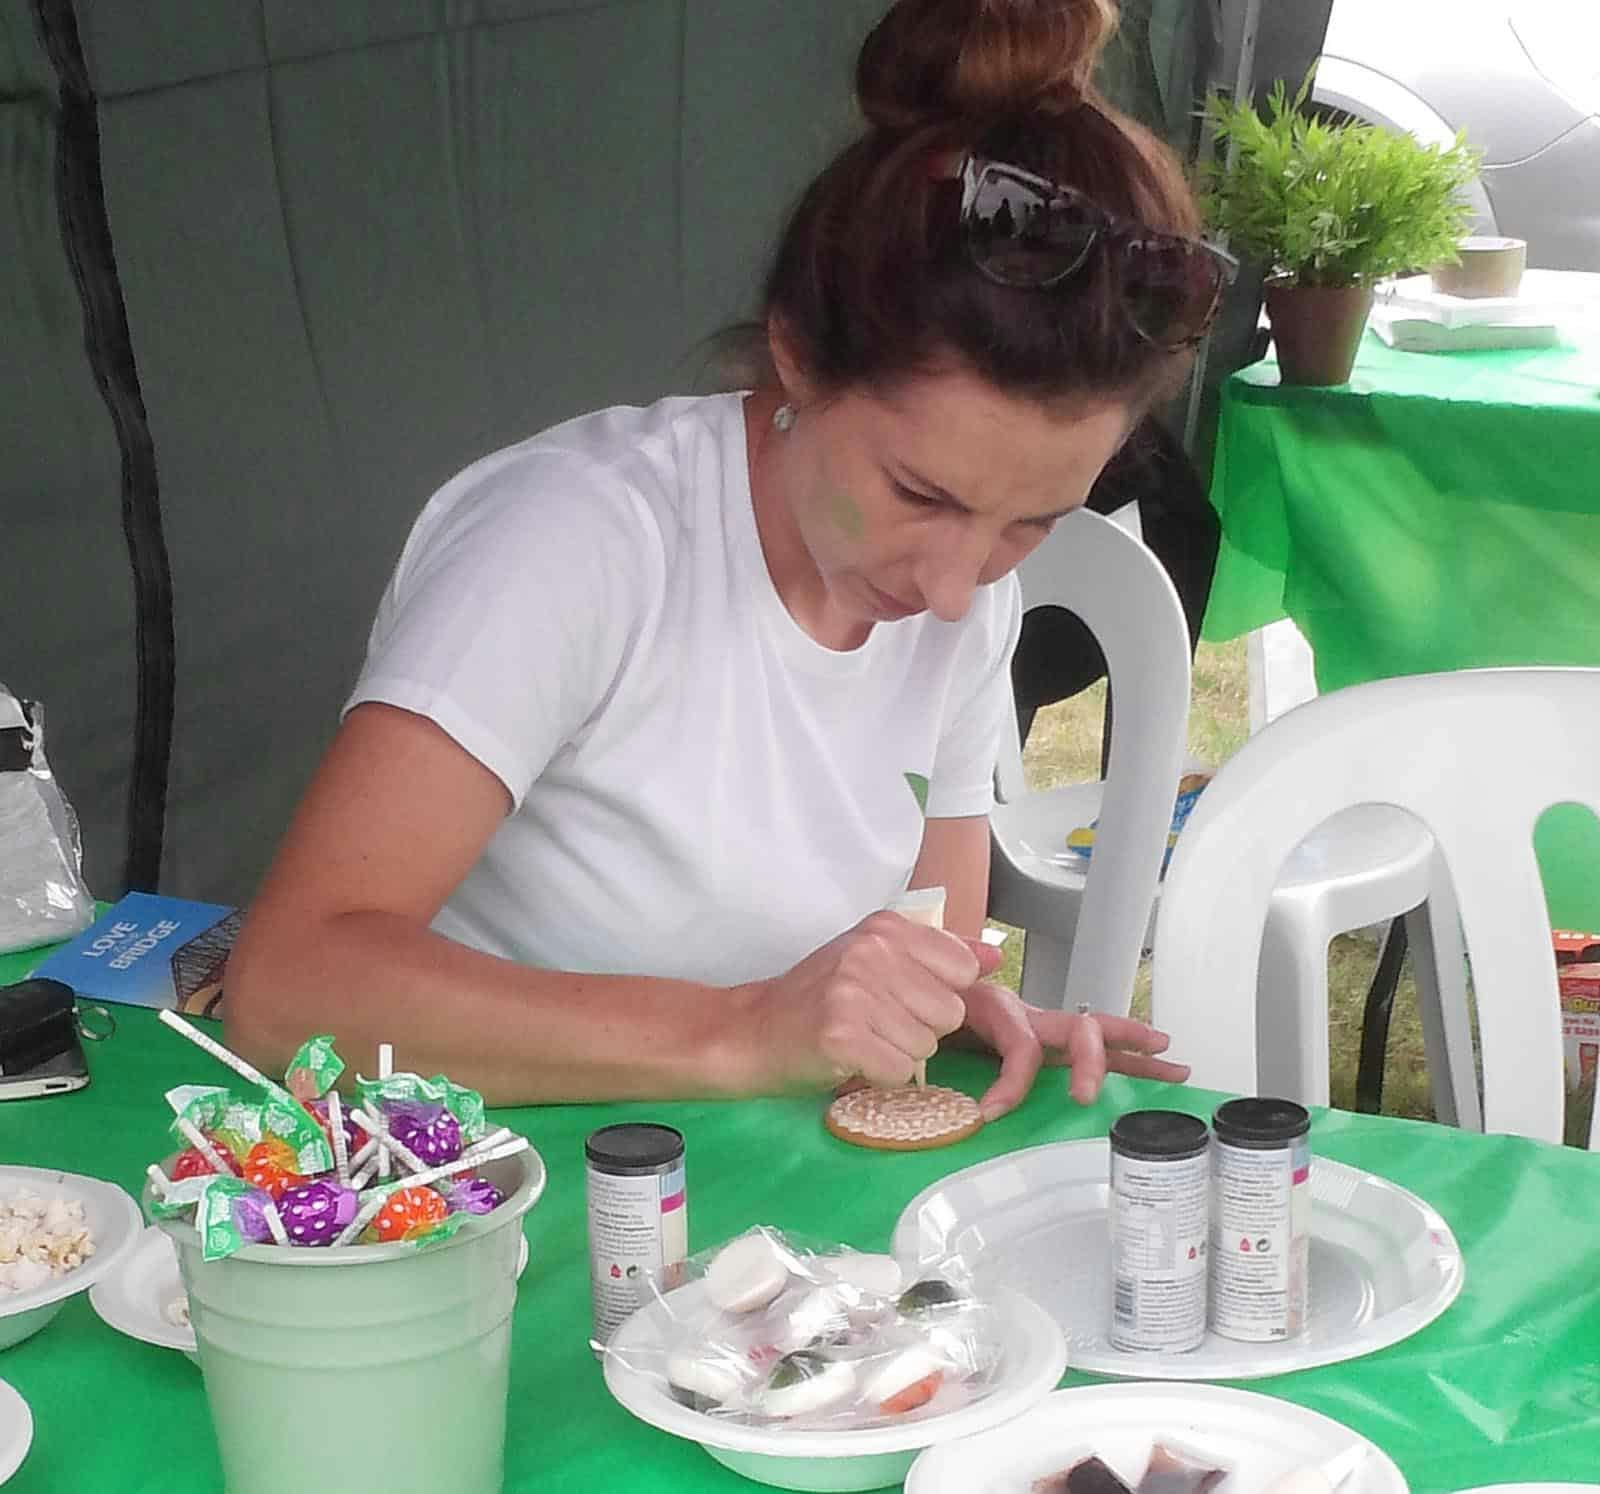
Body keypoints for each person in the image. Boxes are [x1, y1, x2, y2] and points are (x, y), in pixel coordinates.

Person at [226, 0, 1233, 1116]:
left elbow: (921, 932)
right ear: (796, 357)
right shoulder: (580, 541)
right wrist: (745, 1031)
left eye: (1031, 522)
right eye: (918, 494)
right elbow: (285, 988)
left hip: (762, 1218)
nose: (955, 587)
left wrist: (936, 1006)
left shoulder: (961, 591)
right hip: (495, 1195)